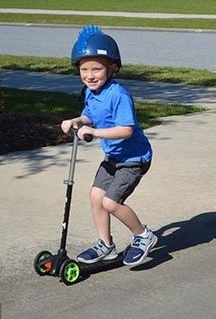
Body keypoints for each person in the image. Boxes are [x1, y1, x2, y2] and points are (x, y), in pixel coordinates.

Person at [61, 25, 157, 267]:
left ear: (112, 67)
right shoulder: (91, 93)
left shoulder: (119, 95)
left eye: (96, 68)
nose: (90, 75)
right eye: (84, 69)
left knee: (111, 202)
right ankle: (106, 245)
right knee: (95, 196)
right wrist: (76, 121)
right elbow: (89, 116)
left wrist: (93, 131)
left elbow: (126, 130)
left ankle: (143, 236)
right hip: (113, 158)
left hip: (134, 159)